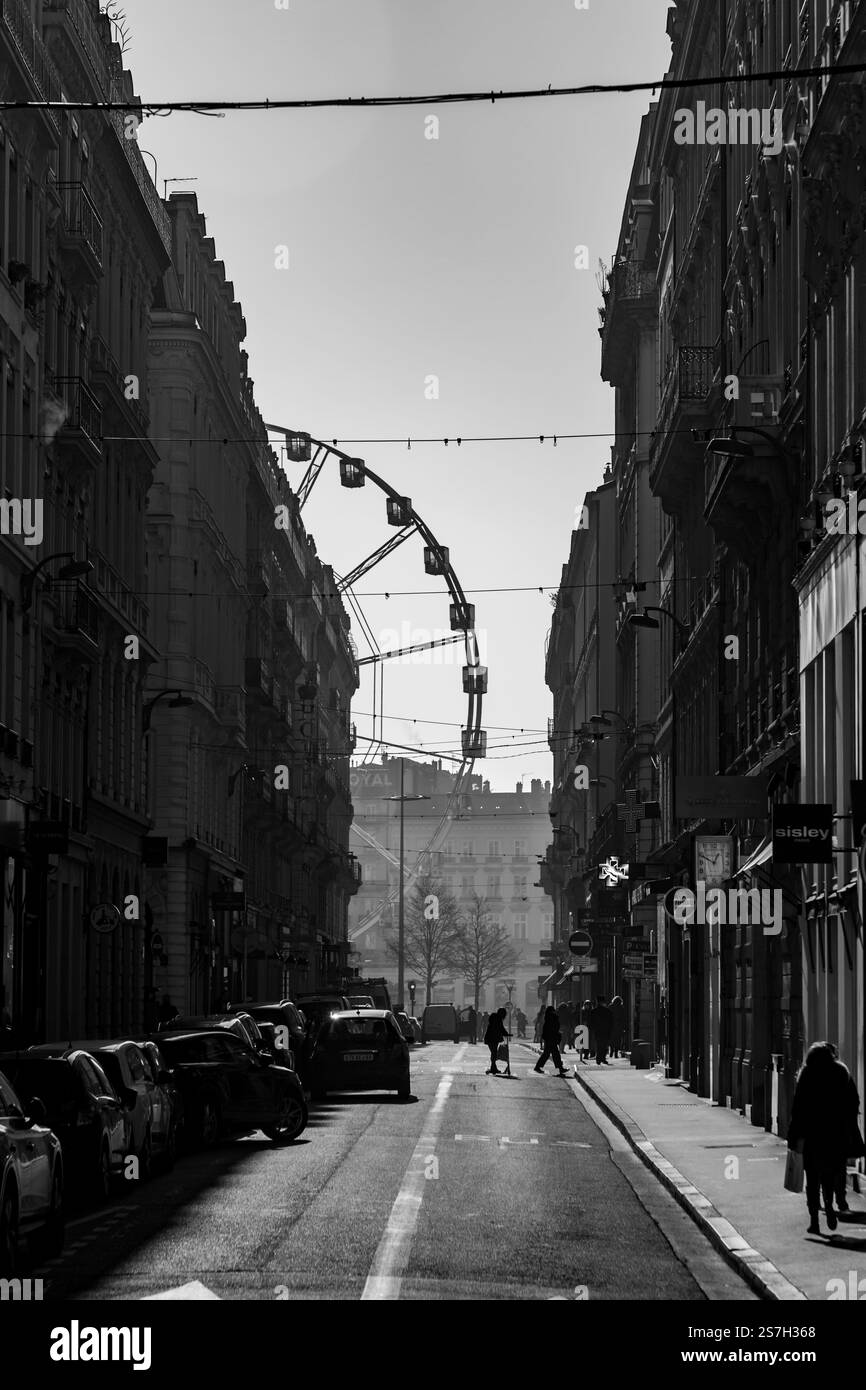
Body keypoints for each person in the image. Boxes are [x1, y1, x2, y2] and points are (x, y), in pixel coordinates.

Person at [787, 1040, 865, 1235]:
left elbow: (798, 1109)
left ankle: (814, 1220)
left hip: (812, 1135)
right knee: (830, 1173)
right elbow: (853, 1101)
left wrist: (794, 1137)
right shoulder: (841, 1072)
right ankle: (830, 1204)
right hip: (835, 1134)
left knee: (812, 1178)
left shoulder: (806, 1074)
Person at [534, 1006, 568, 1076]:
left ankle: (559, 1068)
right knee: (554, 1054)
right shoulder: (552, 1017)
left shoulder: (547, 1018)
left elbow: (546, 1029)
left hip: (549, 1038)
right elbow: (554, 1028)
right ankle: (560, 1068)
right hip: (551, 1038)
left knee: (549, 1054)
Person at [484, 1007, 510, 1075]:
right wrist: (506, 1033)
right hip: (493, 1038)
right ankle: (493, 1068)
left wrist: (505, 1033)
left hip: (490, 1038)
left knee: (493, 1053)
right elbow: (501, 1028)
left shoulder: (493, 1017)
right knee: (494, 1053)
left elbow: (499, 1028)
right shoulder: (498, 1019)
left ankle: (493, 1068)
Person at [590, 995, 613, 1065]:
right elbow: (611, 1021)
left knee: (599, 1045)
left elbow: (591, 1021)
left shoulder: (594, 1011)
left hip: (598, 1031)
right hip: (606, 1030)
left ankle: (599, 1058)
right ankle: (602, 1058)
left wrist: (592, 1029)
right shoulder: (608, 1011)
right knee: (605, 1045)